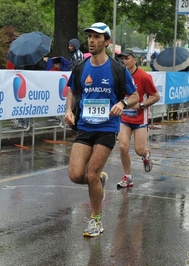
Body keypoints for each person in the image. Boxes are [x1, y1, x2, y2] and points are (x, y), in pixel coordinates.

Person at [64, 22, 140, 237]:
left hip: (107, 127)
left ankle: (96, 220)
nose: (91, 40)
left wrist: (122, 104)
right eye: (89, 36)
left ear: (106, 42)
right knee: (75, 174)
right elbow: (72, 90)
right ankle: (100, 181)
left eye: (97, 37)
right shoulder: (80, 67)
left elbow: (134, 96)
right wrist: (69, 110)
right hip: (85, 126)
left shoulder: (117, 69)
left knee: (91, 173)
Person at [117, 49, 160, 188]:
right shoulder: (120, 76)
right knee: (123, 146)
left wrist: (140, 105)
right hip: (124, 118)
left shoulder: (144, 76)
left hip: (140, 119)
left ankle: (146, 155)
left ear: (135, 60)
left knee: (138, 150)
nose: (124, 61)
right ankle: (128, 177)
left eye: (127, 58)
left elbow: (155, 96)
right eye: (122, 59)